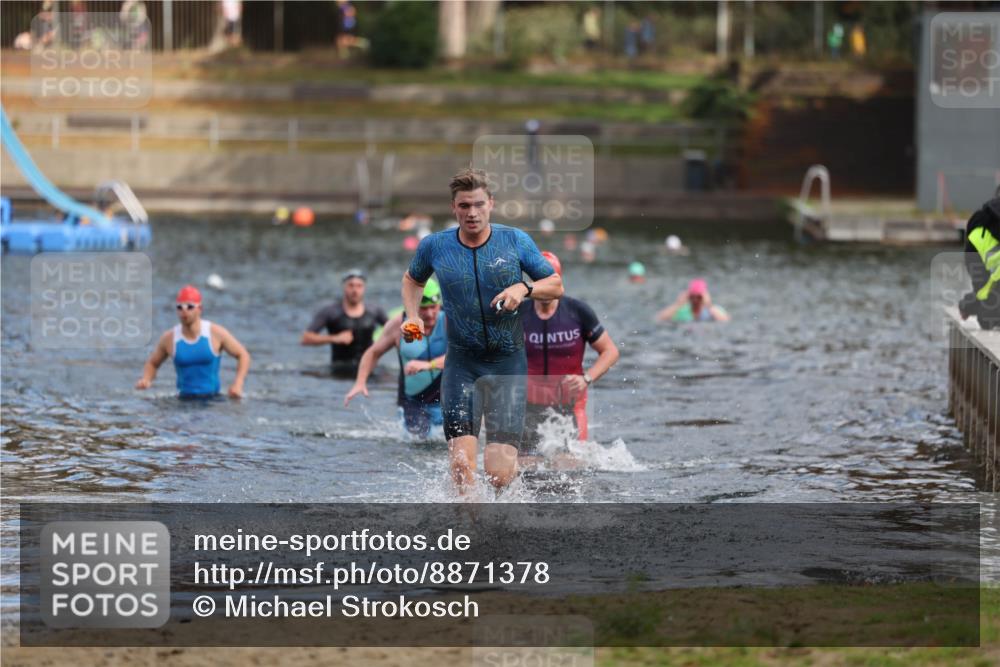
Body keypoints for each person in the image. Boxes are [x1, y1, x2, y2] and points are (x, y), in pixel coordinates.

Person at [401, 167, 563, 495]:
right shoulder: (435, 246)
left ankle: (504, 518)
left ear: (491, 203)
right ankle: (469, 534)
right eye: (464, 206)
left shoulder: (515, 240)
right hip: (462, 365)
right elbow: (412, 280)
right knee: (462, 466)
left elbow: (555, 284)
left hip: (507, 364)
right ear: (453, 208)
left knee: (499, 475)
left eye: (478, 204)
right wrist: (412, 316)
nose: (471, 213)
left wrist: (524, 289)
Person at [521, 251, 620, 453]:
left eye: (550, 282)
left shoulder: (577, 311)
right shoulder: (519, 314)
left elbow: (610, 351)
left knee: (572, 467)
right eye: (539, 282)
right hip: (528, 404)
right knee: (525, 472)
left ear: (559, 282)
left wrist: (586, 379)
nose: (545, 289)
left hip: (570, 404)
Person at [345, 280, 446, 438]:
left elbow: (464, 357)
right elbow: (373, 353)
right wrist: (360, 381)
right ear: (413, 306)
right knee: (418, 443)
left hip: (448, 400)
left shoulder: (449, 322)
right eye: (423, 308)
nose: (429, 313)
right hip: (413, 401)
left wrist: (428, 365)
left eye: (433, 307)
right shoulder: (400, 324)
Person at [136, 285, 250, 399]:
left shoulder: (215, 333)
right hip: (182, 401)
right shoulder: (169, 338)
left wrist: (238, 384)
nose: (184, 311)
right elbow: (152, 363)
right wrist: (146, 379)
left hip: (213, 401)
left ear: (200, 309)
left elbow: (243, 355)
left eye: (189, 306)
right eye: (180, 307)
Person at [302, 269, 387, 377]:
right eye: (351, 285)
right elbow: (306, 338)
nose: (355, 290)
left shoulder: (375, 311)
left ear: (364, 288)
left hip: (370, 368)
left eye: (359, 286)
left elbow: (394, 333)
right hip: (339, 368)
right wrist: (334, 338)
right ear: (344, 287)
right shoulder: (330, 312)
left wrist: (381, 345)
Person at [959, 196, 1000, 329]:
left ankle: (969, 305)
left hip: (980, 236)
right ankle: (966, 306)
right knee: (988, 318)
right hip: (976, 249)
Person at [656, 278, 730, 323]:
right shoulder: (682, 311)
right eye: (692, 297)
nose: (695, 300)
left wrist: (709, 305)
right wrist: (678, 304)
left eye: (698, 297)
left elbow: (725, 320)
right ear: (688, 297)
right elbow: (659, 319)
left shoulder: (714, 310)